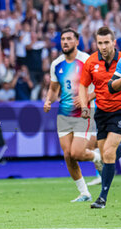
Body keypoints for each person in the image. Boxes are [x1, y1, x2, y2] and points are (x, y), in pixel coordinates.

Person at [44, 28, 102, 203]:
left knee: (77, 152)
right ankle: (84, 193)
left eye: (69, 39)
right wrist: (48, 101)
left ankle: (98, 157)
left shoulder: (88, 61)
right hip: (64, 114)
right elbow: (54, 89)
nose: (65, 42)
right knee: (68, 155)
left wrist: (86, 97)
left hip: (84, 112)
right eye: (63, 39)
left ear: (77, 42)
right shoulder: (56, 64)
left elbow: (101, 86)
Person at [79, 26, 121, 209]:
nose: (103, 46)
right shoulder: (91, 62)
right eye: (100, 43)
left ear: (114, 42)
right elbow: (83, 86)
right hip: (101, 112)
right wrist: (85, 106)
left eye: (107, 42)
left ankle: (102, 198)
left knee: (108, 153)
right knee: (107, 155)